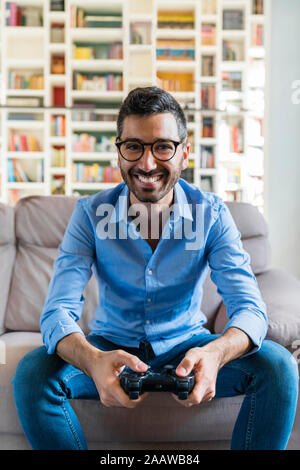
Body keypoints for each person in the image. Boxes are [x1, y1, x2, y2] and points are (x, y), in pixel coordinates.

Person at [13, 87, 298, 450]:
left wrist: (214, 353)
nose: (147, 164)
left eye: (162, 146)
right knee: (33, 374)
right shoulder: (89, 214)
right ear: (118, 151)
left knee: (279, 368)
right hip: (110, 345)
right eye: (134, 146)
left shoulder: (210, 214)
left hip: (188, 344)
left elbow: (251, 310)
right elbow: (56, 312)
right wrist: (93, 360)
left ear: (184, 153)